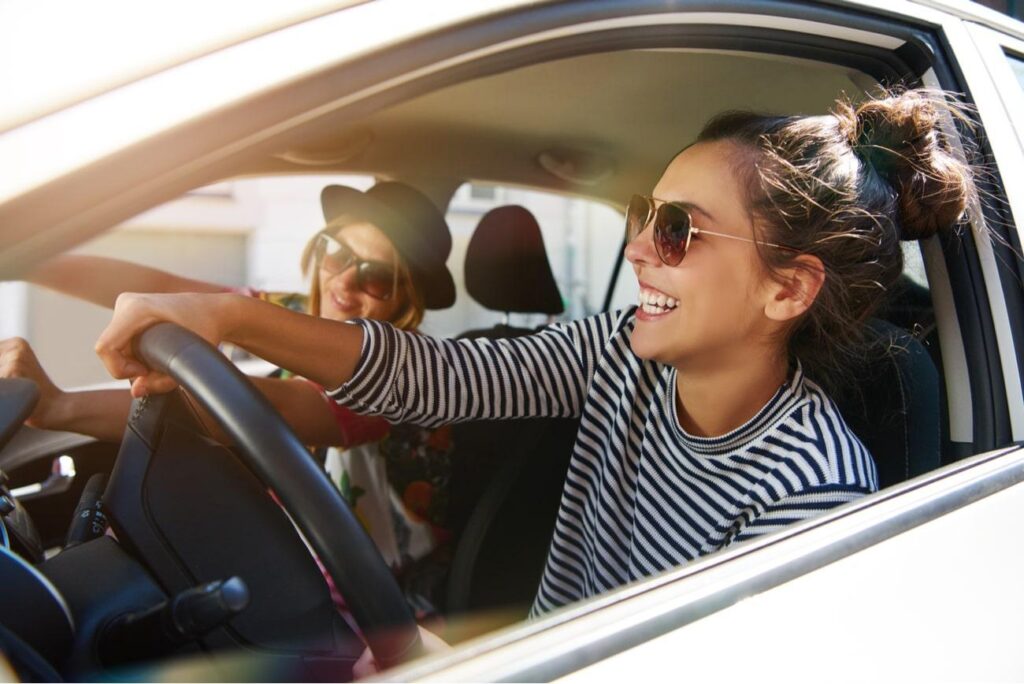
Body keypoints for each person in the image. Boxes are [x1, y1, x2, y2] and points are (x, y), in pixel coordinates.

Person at [93, 88, 978, 630]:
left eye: (677, 230)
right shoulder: (619, 354)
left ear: (787, 290)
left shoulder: (813, 490)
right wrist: (222, 316)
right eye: (642, 213)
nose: (638, 250)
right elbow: (433, 377)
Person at [2, 181, 460, 611]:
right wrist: (32, 259)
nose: (342, 283)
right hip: (291, 559)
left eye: (375, 277)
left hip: (374, 603)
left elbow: (264, 409)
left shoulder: (402, 375)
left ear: (404, 301)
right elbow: (164, 292)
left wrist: (58, 405)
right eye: (335, 253)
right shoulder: (295, 311)